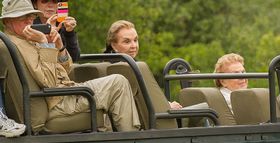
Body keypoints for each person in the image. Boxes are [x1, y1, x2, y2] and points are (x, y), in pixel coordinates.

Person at [1, 0, 140, 132]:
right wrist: (45, 43)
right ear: (7, 21)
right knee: (118, 83)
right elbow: (49, 83)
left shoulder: (27, 40)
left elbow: (67, 69)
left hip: (63, 93)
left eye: (31, 16)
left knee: (111, 89)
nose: (29, 21)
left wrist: (58, 45)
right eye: (22, 17)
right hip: (57, 100)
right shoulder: (18, 45)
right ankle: (134, 141)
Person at [104, 20, 182, 110]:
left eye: (135, 40)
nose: (134, 45)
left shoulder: (111, 64)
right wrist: (167, 105)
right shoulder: (123, 68)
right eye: (127, 42)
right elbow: (142, 101)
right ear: (113, 45)